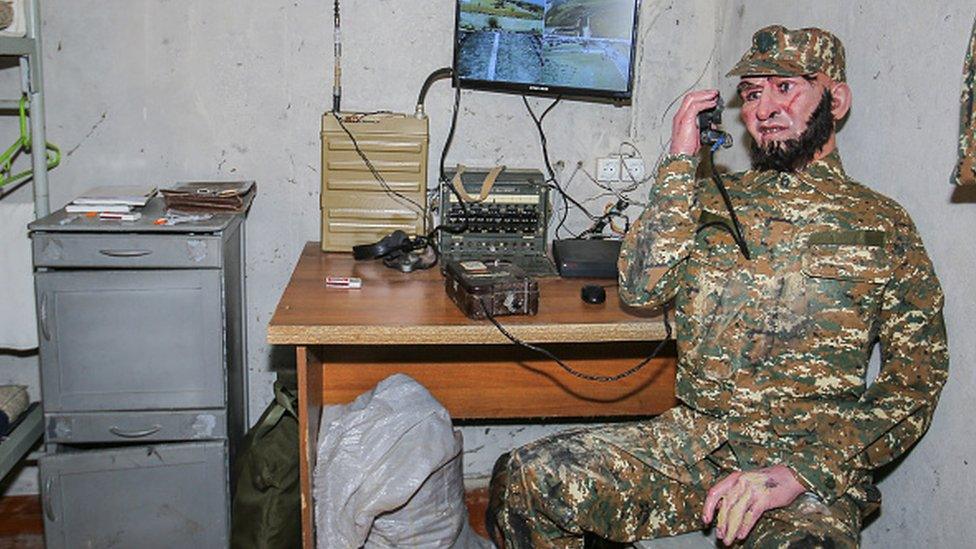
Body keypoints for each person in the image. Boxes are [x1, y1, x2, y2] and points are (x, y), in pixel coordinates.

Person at [486, 25, 948, 548]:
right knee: (527, 479)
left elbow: (915, 381)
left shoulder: (883, 224)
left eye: (786, 87)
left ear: (835, 99)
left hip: (804, 468)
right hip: (692, 447)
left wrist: (800, 472)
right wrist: (682, 159)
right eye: (752, 94)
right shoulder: (706, 200)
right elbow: (639, 289)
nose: (764, 108)